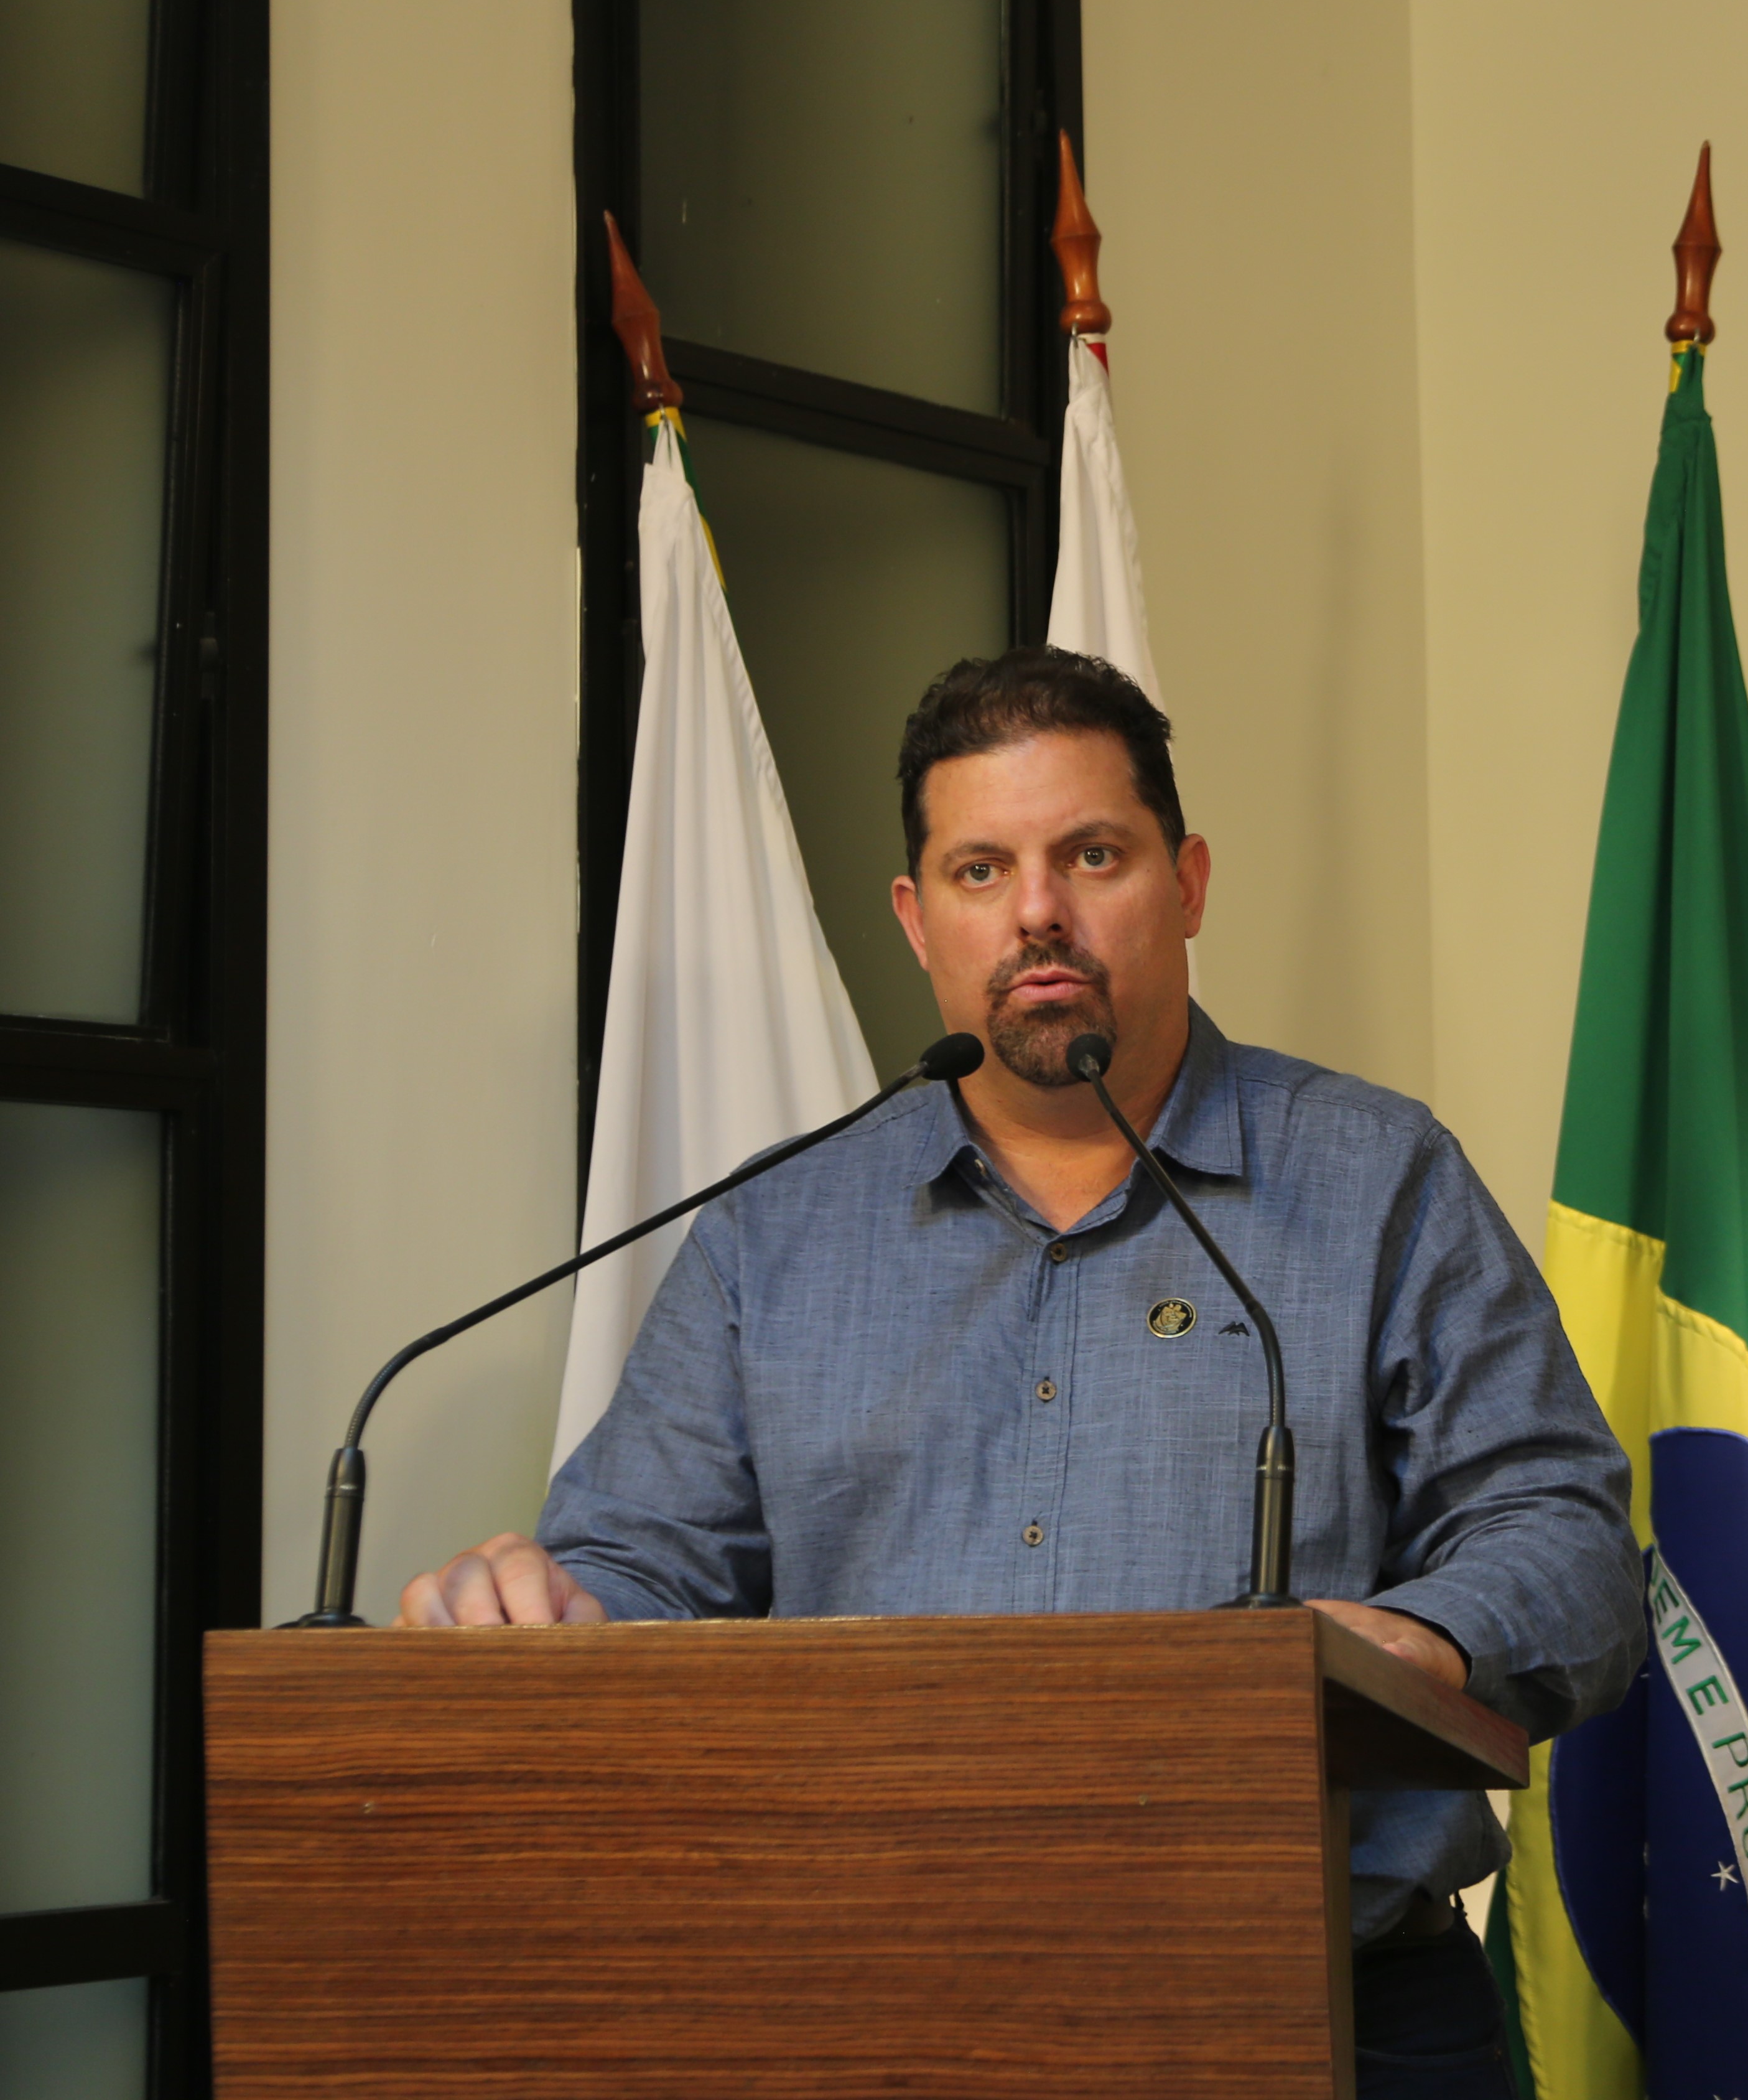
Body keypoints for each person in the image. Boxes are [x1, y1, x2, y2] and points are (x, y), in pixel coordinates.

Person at [399, 646, 1645, 2098]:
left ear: (1185, 883)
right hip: (874, 2019)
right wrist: (554, 1605)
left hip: (1327, 2011)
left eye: (1091, 855)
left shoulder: (1380, 1180)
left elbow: (1564, 1543)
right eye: (982, 871)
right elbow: (646, 1561)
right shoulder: (775, 1229)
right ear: (920, 923)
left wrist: (1413, 1645)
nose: (1038, 911)